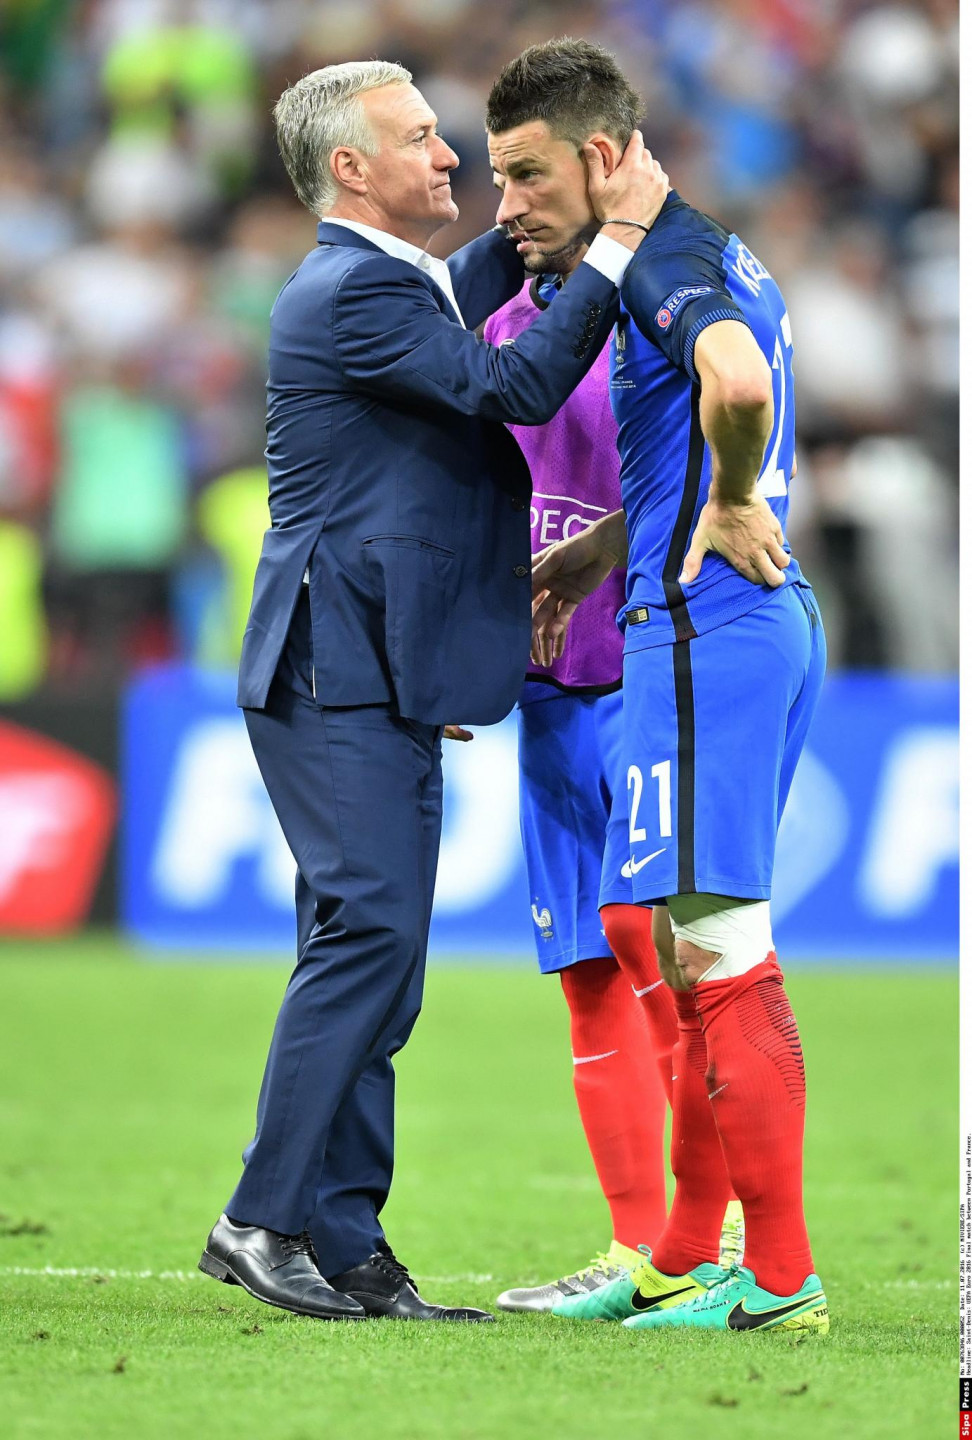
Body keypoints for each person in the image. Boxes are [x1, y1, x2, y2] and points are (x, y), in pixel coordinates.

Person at [197, 58, 669, 1324]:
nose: (451, 154)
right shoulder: (354, 291)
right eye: (421, 138)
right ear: (352, 169)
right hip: (332, 665)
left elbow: (482, 282)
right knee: (368, 940)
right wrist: (621, 239)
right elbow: (515, 384)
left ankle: (347, 1244)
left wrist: (564, 202)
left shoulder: (389, 283)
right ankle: (261, 1218)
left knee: (376, 959)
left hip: (375, 668)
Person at [500, 39, 829, 1335]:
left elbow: (734, 384)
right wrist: (602, 547)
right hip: (728, 619)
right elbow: (686, 429)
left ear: (600, 156)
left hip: (704, 629)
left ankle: (781, 1280)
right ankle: (685, 1255)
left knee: (721, 955)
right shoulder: (715, 250)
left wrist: (732, 497)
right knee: (681, 953)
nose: (508, 204)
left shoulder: (661, 264)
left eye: (526, 175)